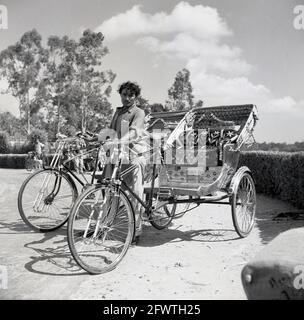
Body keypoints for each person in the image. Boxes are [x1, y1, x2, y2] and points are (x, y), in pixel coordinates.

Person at [101, 81, 147, 243]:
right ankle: (105, 225)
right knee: (108, 190)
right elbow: (111, 132)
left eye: (131, 95)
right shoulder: (118, 112)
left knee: (135, 194)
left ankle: (136, 230)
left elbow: (134, 133)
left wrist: (120, 141)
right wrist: (100, 138)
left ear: (135, 96)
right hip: (116, 156)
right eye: (124, 94)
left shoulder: (139, 112)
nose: (127, 98)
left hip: (134, 156)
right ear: (120, 95)